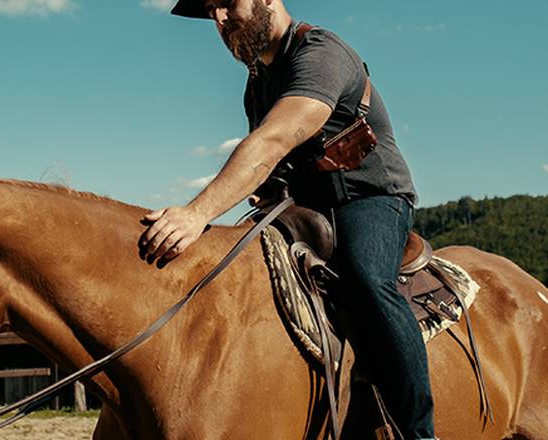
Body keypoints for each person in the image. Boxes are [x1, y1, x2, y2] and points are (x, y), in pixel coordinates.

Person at [139, 0, 435, 438]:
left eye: (227, 3)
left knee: (365, 277)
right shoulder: (257, 83)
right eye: (210, 11)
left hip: (371, 198)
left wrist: (197, 213)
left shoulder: (321, 54)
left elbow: (272, 141)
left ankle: (419, 432)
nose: (219, 19)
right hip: (307, 209)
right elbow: (275, 170)